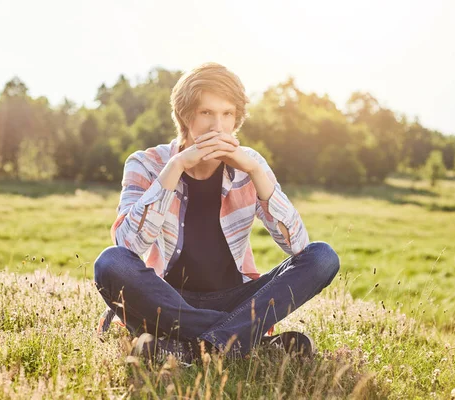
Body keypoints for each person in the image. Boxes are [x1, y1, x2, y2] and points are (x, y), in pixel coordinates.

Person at [93, 62, 340, 364]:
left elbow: (298, 246)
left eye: (227, 114)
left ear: (237, 118)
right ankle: (239, 341)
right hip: (168, 300)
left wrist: (254, 170)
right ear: (185, 115)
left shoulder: (249, 164)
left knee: (323, 256)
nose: (217, 127)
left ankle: (189, 347)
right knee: (109, 262)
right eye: (206, 113)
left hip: (235, 301)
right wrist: (175, 168)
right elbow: (128, 246)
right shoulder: (146, 163)